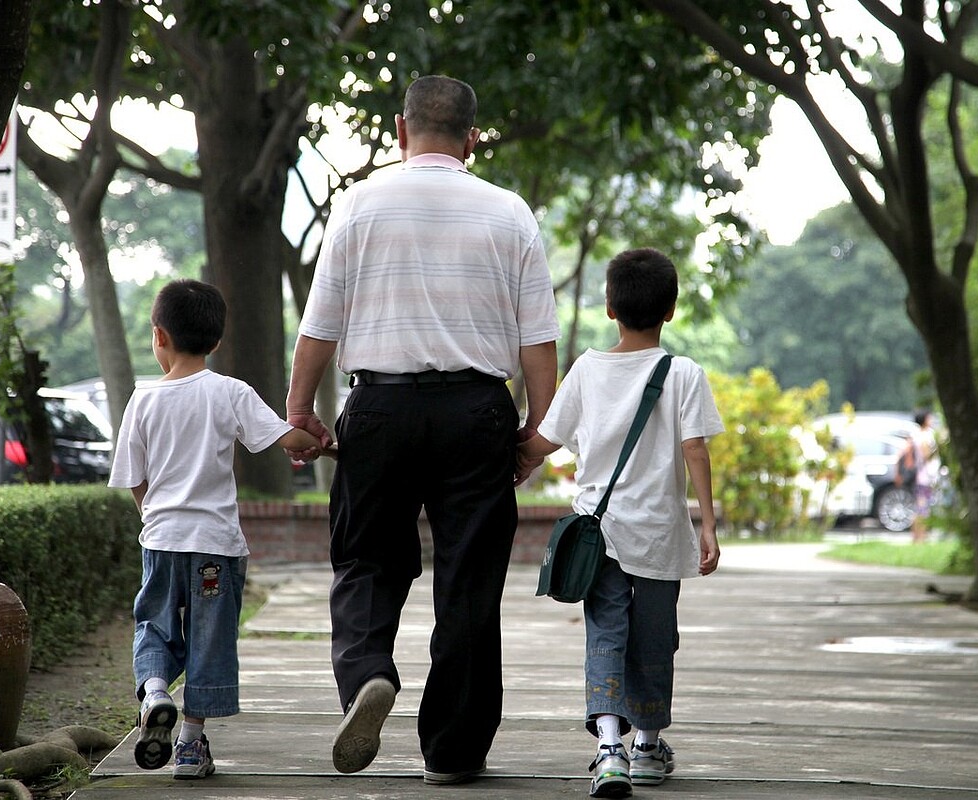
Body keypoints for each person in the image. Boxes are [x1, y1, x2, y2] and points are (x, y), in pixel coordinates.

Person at [283, 75, 559, 785]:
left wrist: (300, 411)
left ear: (400, 132)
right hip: (477, 411)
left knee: (366, 559)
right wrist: (535, 432)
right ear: (473, 138)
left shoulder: (358, 207)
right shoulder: (510, 214)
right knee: (469, 580)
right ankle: (454, 750)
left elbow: (318, 328)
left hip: (379, 406)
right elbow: (538, 347)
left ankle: (370, 672)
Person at [517, 247, 724, 798]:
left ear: (609, 306)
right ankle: (649, 747)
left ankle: (609, 748)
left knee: (605, 633)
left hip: (599, 534)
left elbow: (543, 441)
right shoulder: (683, 373)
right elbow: (696, 450)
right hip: (659, 534)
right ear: (672, 309)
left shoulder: (587, 369)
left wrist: (511, 459)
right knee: (656, 638)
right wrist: (706, 524)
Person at [108, 279, 325, 780]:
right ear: (218, 340)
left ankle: (156, 691)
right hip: (216, 548)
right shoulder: (230, 392)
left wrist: (154, 516)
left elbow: (134, 480)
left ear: (158, 336)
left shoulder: (141, 400)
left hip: (161, 540)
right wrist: (321, 442)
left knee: (155, 624)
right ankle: (188, 745)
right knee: (210, 637)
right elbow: (283, 436)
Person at [896, 409, 940, 543]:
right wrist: (938, 448)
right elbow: (926, 454)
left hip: (921, 475)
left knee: (920, 506)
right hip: (926, 476)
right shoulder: (925, 435)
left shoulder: (915, 435)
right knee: (922, 508)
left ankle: (917, 536)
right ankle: (920, 537)